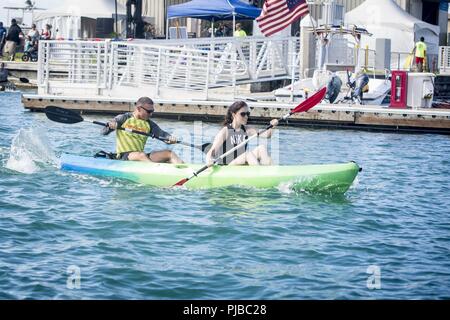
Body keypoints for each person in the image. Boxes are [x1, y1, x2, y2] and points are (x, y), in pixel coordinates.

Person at [102, 97, 184, 163]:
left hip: (141, 156)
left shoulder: (150, 124)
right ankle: (155, 171)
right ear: (138, 108)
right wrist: (110, 126)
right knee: (141, 155)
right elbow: (104, 132)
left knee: (169, 153)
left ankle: (185, 171)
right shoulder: (124, 118)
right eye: (148, 111)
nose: (151, 114)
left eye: (152, 111)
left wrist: (170, 138)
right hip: (123, 156)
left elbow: (163, 135)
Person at [206, 101, 278, 166]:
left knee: (261, 148)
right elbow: (211, 151)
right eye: (243, 114)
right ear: (234, 115)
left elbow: (267, 135)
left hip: (242, 162)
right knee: (247, 154)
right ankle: (260, 175)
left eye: (247, 114)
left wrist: (273, 126)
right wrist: (209, 160)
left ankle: (272, 172)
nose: (246, 116)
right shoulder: (225, 131)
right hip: (228, 166)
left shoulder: (247, 129)